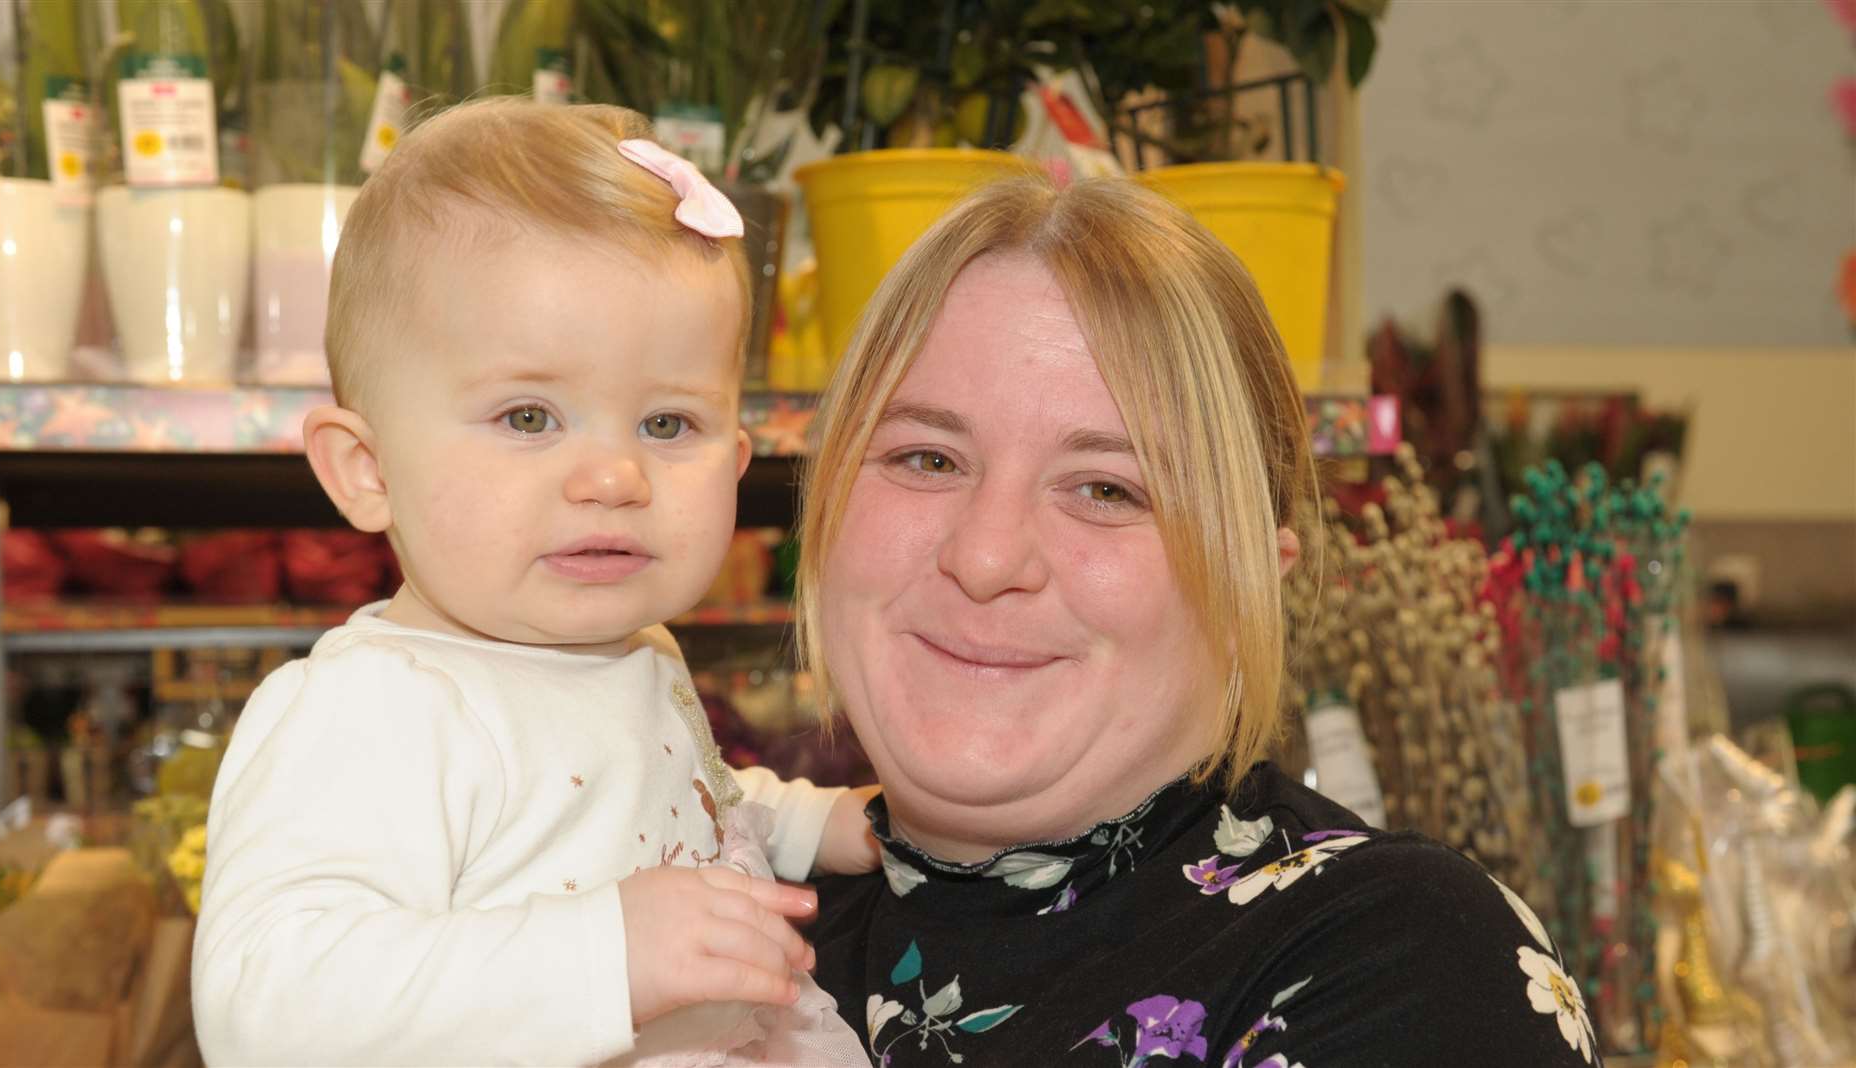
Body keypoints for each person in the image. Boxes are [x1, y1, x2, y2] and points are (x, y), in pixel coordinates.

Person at [799, 175, 1605, 1067]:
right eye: (928, 457)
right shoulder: (695, 910)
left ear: (1253, 584)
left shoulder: (1405, 964)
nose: (985, 558)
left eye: (1108, 489)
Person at [192, 100, 875, 1067]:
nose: (614, 477)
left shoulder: (638, 653)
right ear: (368, 470)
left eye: (669, 425)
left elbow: (691, 809)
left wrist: (815, 823)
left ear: (737, 459)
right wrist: (608, 954)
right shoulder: (377, 708)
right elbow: (268, 1007)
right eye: (527, 418)